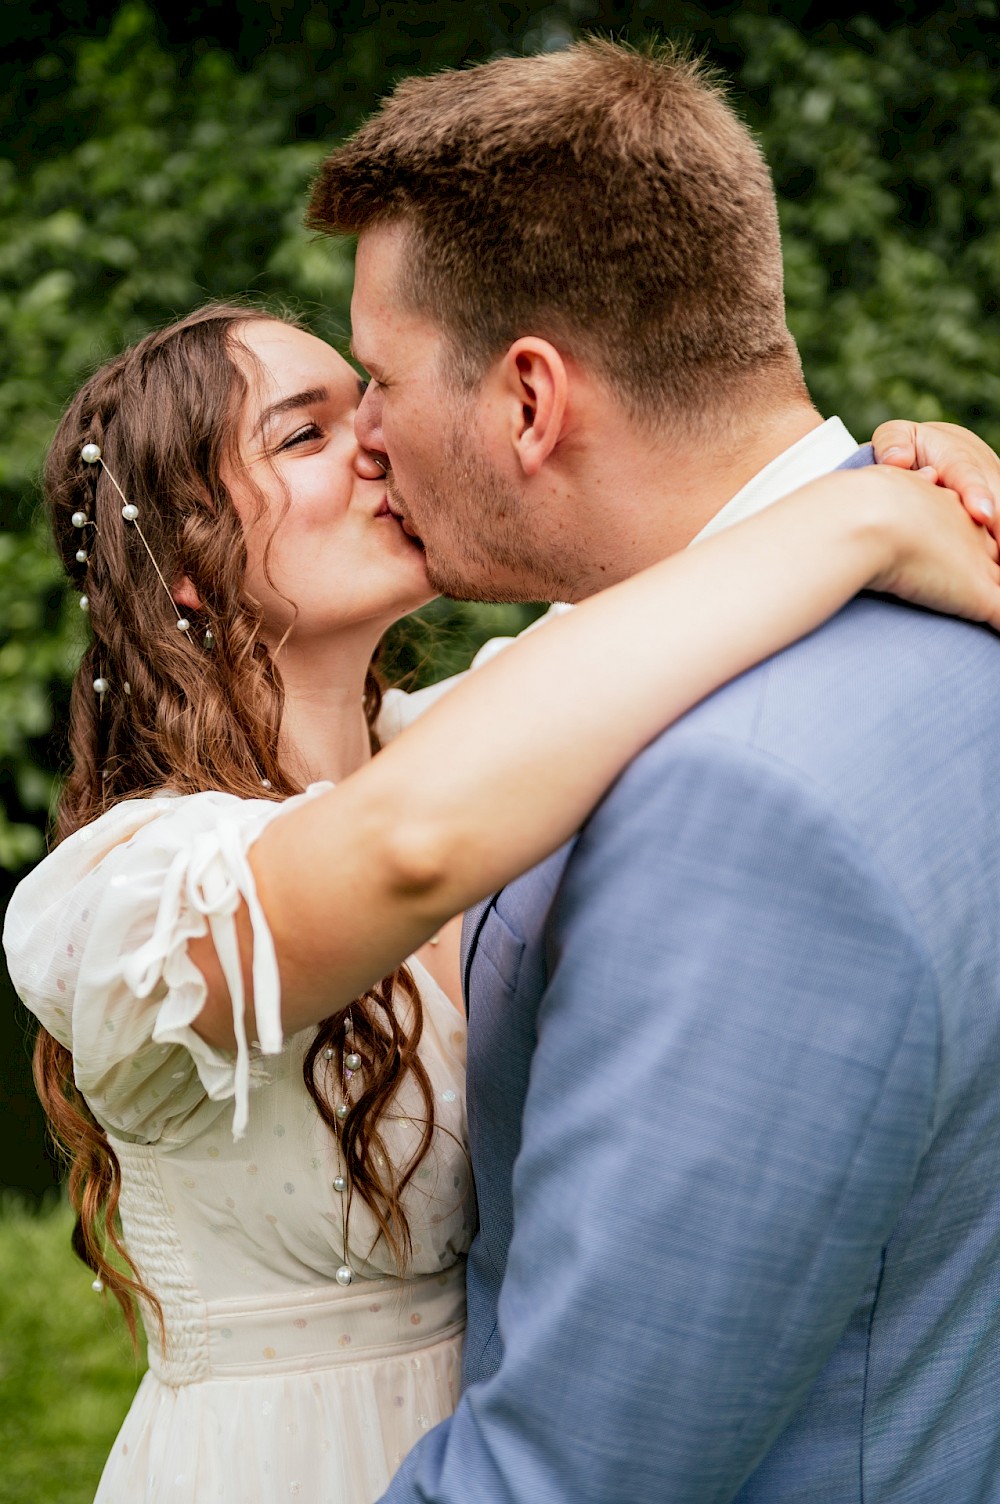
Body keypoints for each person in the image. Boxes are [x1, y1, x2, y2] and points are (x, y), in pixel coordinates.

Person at [4, 300, 999, 1503]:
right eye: (303, 435)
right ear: (188, 566)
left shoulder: (476, 732)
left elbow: (702, 569)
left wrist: (907, 466)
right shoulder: (120, 899)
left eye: (366, 399)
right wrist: (861, 521)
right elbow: (403, 847)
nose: (374, 439)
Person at [299, 37, 1000, 1504]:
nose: (366, 440)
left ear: (531, 399)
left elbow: (571, 1472)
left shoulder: (733, 803)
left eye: (378, 379)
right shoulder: (953, 591)